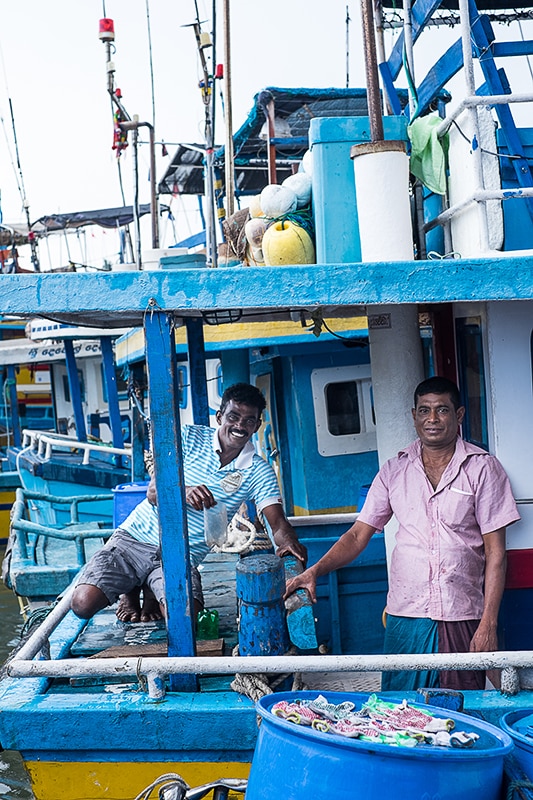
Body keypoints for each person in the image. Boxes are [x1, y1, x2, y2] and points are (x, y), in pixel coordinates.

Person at [285, 376, 520, 691]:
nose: (432, 419)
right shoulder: (394, 470)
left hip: (461, 613)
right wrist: (314, 570)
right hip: (405, 617)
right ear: (414, 416)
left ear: (459, 415)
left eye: (442, 410)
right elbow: (357, 536)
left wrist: (488, 623)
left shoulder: (483, 469)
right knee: (400, 713)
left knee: (463, 712)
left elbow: (496, 554)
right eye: (424, 411)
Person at [71, 382, 306, 624]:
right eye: (233, 417)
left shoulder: (259, 471)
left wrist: (289, 545)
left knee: (185, 620)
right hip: (134, 539)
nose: (239, 426)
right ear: (219, 417)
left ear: (256, 426)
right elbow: (152, 493)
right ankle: (131, 589)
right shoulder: (187, 437)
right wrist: (184, 492)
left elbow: (276, 523)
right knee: (82, 604)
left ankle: (151, 588)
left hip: (182, 555)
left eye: (249, 420)